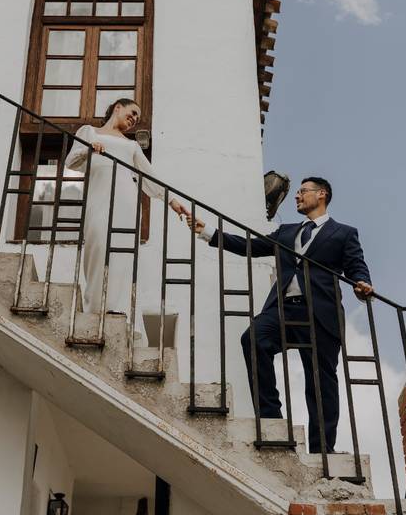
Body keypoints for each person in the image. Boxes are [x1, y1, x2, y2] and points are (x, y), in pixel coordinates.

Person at [188, 177, 373, 453]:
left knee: (321, 381)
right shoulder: (286, 232)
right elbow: (249, 246)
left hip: (321, 313)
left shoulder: (344, 233)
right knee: (253, 338)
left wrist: (362, 284)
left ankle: (323, 448)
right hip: (284, 308)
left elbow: (356, 265)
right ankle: (271, 417)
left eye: (302, 191)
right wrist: (210, 233)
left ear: (321, 195)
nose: (297, 196)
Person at [64, 99, 188, 316]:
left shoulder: (131, 146)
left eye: (137, 118)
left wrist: (173, 202)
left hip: (127, 201)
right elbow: (70, 162)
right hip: (99, 197)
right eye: (132, 113)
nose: (134, 119)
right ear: (117, 108)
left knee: (121, 253)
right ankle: (94, 307)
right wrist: (89, 150)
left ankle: (113, 308)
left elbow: (150, 176)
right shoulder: (89, 132)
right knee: (98, 246)